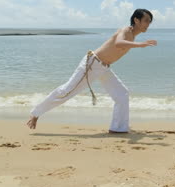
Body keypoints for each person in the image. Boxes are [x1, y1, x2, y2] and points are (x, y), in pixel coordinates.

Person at [27, 9, 157, 133]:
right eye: (146, 20)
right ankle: (35, 114)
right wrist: (140, 44)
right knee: (66, 91)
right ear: (136, 20)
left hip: (103, 68)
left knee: (122, 94)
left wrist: (138, 43)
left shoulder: (132, 36)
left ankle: (118, 128)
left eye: (149, 21)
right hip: (92, 64)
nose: (148, 24)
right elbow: (119, 43)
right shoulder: (126, 30)